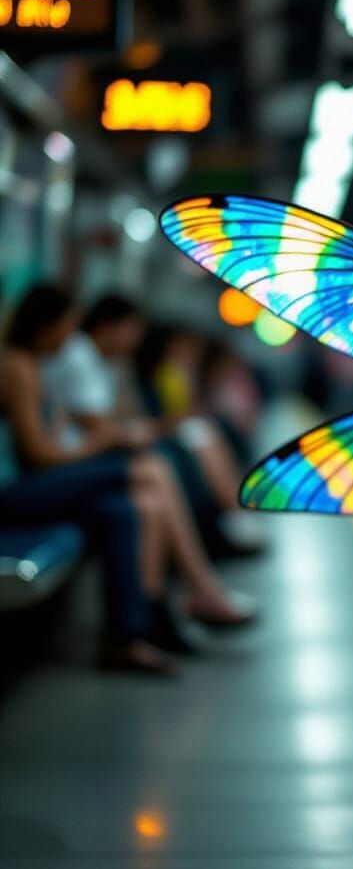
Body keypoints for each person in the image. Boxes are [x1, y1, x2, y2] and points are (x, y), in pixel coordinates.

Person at [0, 286, 257, 675]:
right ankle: (198, 588)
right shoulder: (16, 366)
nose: (71, 336)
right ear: (45, 325)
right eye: (67, 325)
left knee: (132, 507)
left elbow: (51, 441)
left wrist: (88, 440)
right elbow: (40, 454)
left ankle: (130, 636)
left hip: (42, 481)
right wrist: (97, 444)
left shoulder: (35, 367)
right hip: (19, 493)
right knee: (152, 470)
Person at [44, 293, 265, 557]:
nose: (137, 337)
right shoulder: (80, 355)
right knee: (166, 464)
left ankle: (223, 526)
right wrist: (148, 427)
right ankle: (214, 536)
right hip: (86, 453)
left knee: (183, 452)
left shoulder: (110, 361)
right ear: (108, 326)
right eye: (131, 328)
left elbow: (123, 413)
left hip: (97, 445)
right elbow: (99, 424)